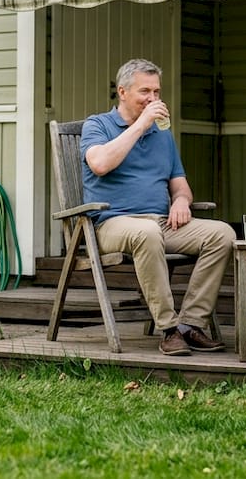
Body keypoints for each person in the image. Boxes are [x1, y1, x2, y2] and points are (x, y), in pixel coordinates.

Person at [81, 58, 235, 356]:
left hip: (162, 223)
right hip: (113, 224)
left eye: (157, 92)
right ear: (122, 92)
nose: (153, 99)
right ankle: (168, 328)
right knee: (147, 232)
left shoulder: (162, 134)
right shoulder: (97, 125)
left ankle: (191, 324)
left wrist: (181, 201)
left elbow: (179, 184)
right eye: (145, 92)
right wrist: (140, 125)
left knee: (222, 234)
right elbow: (99, 164)